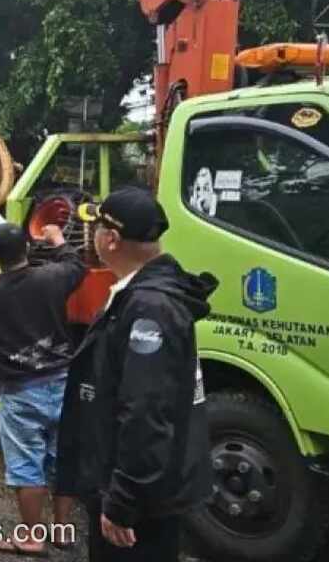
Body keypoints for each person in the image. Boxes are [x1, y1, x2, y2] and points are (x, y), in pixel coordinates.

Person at [57, 189, 217, 562]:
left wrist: (123, 500)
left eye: (95, 227)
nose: (91, 235)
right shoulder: (140, 294)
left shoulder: (150, 307)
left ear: (110, 240)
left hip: (141, 499)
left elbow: (145, 410)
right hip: (141, 487)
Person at [0, 222, 86, 556]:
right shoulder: (51, 278)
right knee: (62, 459)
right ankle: (61, 532)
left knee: (25, 464)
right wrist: (58, 239)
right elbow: (76, 265)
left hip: (20, 391)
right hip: (63, 382)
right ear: (28, 250)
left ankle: (32, 537)